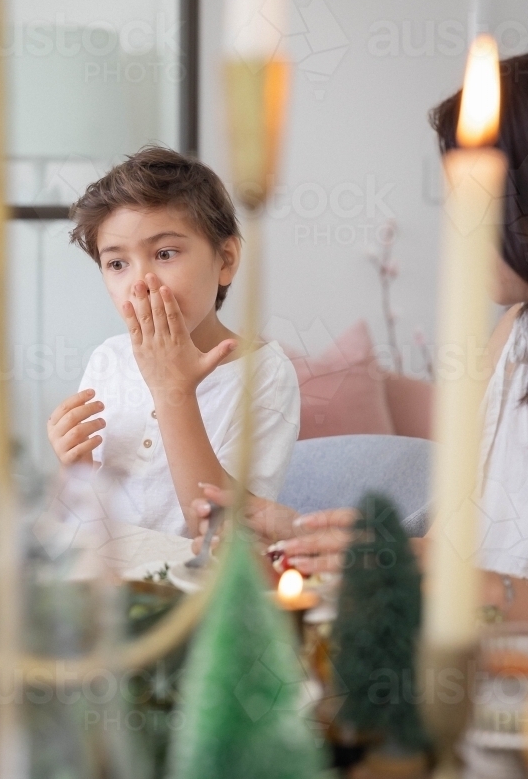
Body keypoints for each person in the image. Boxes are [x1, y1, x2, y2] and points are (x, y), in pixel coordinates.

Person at [192, 52, 528, 618]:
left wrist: (483, 588)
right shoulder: (513, 331)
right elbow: (455, 543)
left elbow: (475, 577)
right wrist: (305, 533)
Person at [47, 146, 300, 536]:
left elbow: (223, 531)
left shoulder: (265, 375)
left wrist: (172, 389)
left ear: (226, 260)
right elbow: (68, 523)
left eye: (165, 253)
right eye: (117, 263)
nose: (141, 282)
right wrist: (73, 468)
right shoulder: (108, 360)